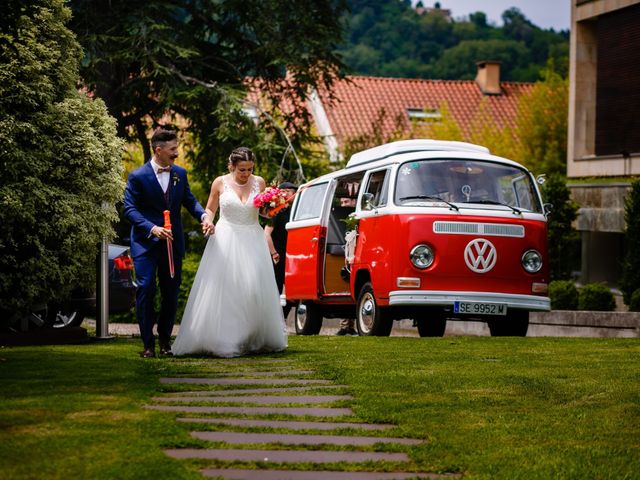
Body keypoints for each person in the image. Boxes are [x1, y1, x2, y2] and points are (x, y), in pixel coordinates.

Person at [172, 147, 288, 357]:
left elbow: (262, 211)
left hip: (253, 238)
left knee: (252, 286)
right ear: (232, 166)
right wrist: (207, 221)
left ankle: (251, 336)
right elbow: (210, 209)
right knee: (228, 289)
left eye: (250, 169)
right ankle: (228, 338)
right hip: (226, 237)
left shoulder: (259, 182)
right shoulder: (220, 182)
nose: (246, 174)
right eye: (242, 170)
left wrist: (272, 207)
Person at [123, 128, 214, 358]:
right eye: (173, 149)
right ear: (158, 150)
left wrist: (204, 216)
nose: (177, 153)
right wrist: (152, 228)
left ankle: (165, 341)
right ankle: (147, 344)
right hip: (145, 243)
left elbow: (189, 201)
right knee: (146, 288)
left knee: (171, 294)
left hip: (173, 244)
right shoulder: (137, 176)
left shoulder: (180, 174)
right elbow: (130, 210)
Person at [264, 182, 297, 319]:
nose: (290, 194)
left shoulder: (297, 210)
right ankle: (272, 320)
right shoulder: (276, 211)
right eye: (287, 191)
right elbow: (266, 234)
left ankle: (281, 319)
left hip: (293, 256)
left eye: (292, 191)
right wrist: (274, 253)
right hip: (278, 256)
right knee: (275, 289)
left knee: (292, 291)